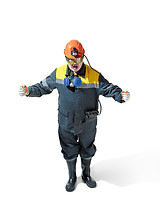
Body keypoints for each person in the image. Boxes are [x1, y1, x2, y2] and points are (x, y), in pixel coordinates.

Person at [19, 40, 130, 192]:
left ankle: (86, 174)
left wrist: (121, 95)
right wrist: (29, 91)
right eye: (70, 60)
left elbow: (109, 88)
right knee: (68, 149)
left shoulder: (93, 75)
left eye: (77, 59)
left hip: (87, 122)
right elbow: (42, 86)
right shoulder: (58, 73)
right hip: (66, 121)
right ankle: (72, 176)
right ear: (65, 58)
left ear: (83, 57)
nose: (74, 63)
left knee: (87, 148)